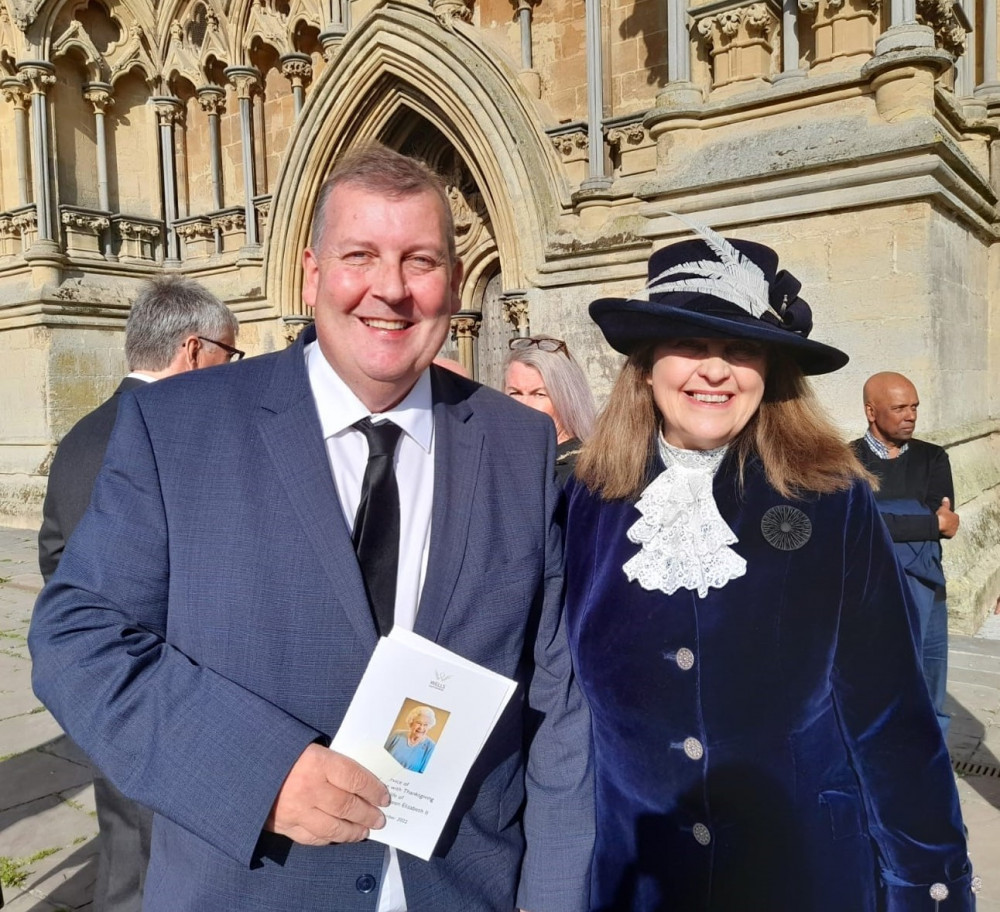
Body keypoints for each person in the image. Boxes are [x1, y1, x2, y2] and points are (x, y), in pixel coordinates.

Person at [29, 143, 593, 912]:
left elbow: (557, 704)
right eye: (359, 254)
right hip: (252, 887)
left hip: (463, 889)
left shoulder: (517, 443)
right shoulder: (179, 425)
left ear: (455, 285)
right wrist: (256, 774)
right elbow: (77, 639)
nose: (390, 290)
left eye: (420, 261)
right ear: (311, 273)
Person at [563, 225, 976, 911]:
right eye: (690, 344)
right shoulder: (587, 500)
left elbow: (892, 717)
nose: (715, 369)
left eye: (741, 349)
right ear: (646, 363)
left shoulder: (834, 501)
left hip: (806, 876)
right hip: (638, 882)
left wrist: (929, 889)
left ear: (770, 369)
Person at [36, 275, 239, 912]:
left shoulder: (79, 435)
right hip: (176, 695)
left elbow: (54, 556)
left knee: (125, 850)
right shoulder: (176, 439)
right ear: (194, 349)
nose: (231, 372)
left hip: (105, 693)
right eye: (229, 357)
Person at [852, 371, 959, 739]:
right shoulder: (846, 460)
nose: (910, 415)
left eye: (914, 407)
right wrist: (928, 525)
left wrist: (882, 518)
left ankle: (932, 773)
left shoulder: (933, 458)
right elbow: (857, 527)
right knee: (878, 687)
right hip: (873, 592)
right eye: (899, 408)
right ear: (871, 411)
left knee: (930, 688)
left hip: (929, 588)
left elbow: (946, 519)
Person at [503, 336, 597, 483]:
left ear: (567, 399)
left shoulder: (584, 474)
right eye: (515, 393)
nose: (524, 405)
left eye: (539, 394)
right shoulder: (498, 462)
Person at [384, 706, 437, 773]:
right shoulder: (397, 734)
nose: (421, 727)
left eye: (425, 725)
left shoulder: (430, 746)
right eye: (418, 723)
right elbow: (380, 756)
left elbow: (422, 773)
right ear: (411, 722)